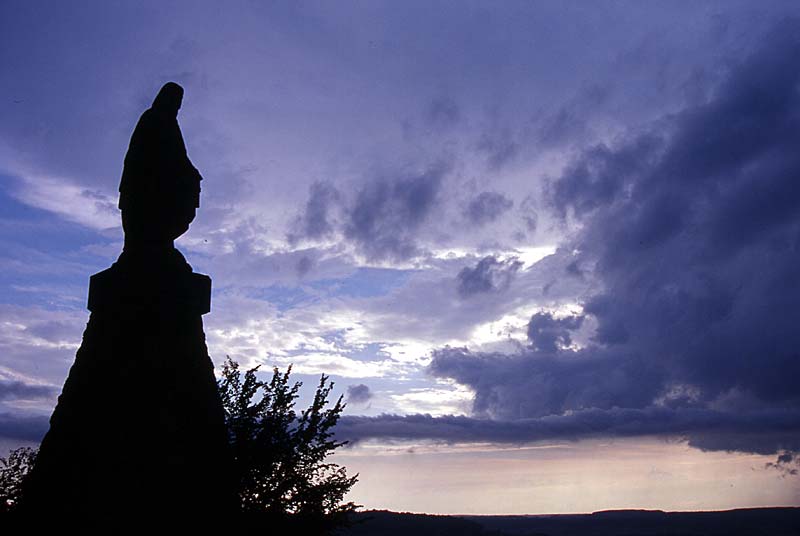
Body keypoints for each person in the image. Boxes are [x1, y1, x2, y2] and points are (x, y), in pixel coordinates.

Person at [119, 82, 202, 251]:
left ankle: (161, 245)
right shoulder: (152, 118)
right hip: (148, 181)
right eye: (174, 100)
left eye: (179, 101)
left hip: (165, 181)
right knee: (149, 215)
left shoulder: (170, 123)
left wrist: (190, 171)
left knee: (168, 213)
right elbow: (146, 153)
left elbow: (179, 154)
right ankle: (148, 248)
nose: (177, 105)